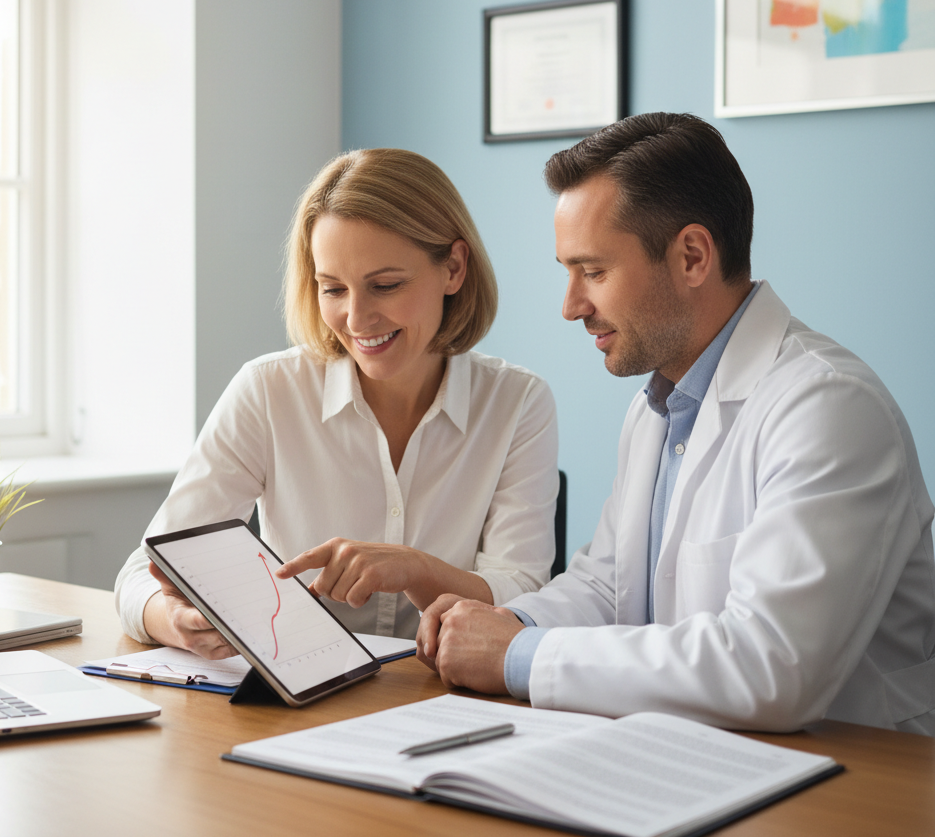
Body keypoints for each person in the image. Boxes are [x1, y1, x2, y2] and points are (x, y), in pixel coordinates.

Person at [418, 112, 935, 735]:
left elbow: (770, 669)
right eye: (568, 272)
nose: (571, 306)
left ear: (692, 256)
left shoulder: (829, 408)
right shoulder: (658, 406)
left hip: (852, 787)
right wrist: (507, 625)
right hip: (701, 759)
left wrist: (516, 657)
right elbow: (611, 591)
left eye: (594, 271)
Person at [116, 148, 558, 655]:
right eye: (333, 289)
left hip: (444, 697)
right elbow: (142, 574)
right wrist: (175, 620)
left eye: (385, 285)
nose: (356, 318)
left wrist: (416, 568)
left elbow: (523, 596)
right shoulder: (268, 391)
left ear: (454, 268)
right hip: (301, 702)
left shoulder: (518, 403)